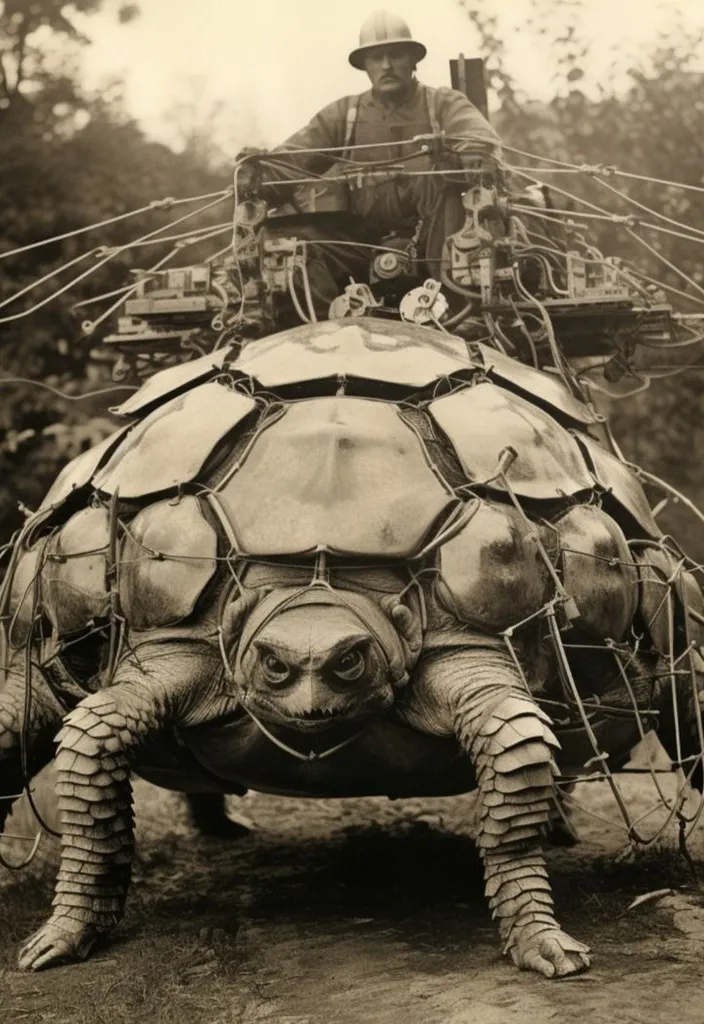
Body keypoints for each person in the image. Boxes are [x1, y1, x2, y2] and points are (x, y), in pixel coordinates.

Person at [238, 10, 503, 309]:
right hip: (361, 242)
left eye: (396, 54)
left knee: (444, 176)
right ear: (364, 65)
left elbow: (480, 141)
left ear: (414, 59)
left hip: (435, 242)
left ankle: (459, 310)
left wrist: (473, 155)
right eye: (376, 58)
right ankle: (322, 330)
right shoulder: (345, 115)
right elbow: (291, 162)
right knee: (291, 244)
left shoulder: (442, 104)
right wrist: (257, 176)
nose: (386, 66)